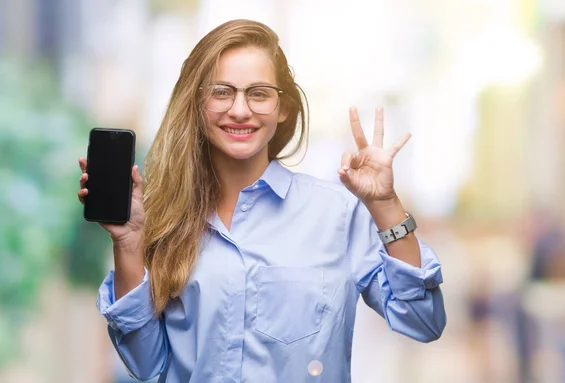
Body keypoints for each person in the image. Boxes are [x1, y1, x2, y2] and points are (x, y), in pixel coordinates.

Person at [77, 19, 446, 383]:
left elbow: (423, 320)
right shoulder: (163, 219)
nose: (240, 110)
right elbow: (144, 364)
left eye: (258, 93)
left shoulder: (336, 212)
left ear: (283, 108)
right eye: (222, 92)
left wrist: (385, 204)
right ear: (196, 103)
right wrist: (127, 243)